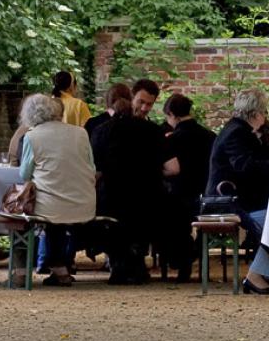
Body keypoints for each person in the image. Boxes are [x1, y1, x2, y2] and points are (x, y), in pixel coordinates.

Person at [206, 89, 269, 295]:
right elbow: (244, 166)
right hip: (226, 200)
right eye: (263, 112)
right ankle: (255, 275)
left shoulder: (240, 130)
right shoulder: (237, 133)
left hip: (239, 198)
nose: (265, 117)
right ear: (255, 113)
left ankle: (267, 273)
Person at [15, 92, 96, 286]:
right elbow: (91, 167)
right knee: (56, 216)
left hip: (51, 205)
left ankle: (20, 272)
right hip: (84, 202)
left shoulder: (32, 137)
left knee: (18, 215)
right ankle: (59, 268)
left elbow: (25, 174)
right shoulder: (80, 133)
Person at [91, 83, 167, 285]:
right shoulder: (153, 130)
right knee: (140, 221)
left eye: (148, 104)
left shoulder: (101, 131)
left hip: (112, 193)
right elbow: (164, 164)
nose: (143, 108)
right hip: (147, 193)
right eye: (141, 102)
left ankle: (119, 265)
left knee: (114, 223)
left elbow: (96, 166)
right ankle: (136, 263)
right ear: (130, 99)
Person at [158, 93, 214, 282]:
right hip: (206, 195)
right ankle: (194, 251)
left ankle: (183, 262)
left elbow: (171, 169)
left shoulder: (173, 139)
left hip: (179, 196)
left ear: (172, 114)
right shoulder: (209, 136)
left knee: (172, 222)